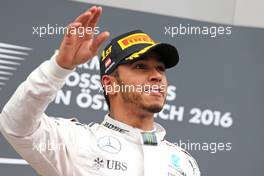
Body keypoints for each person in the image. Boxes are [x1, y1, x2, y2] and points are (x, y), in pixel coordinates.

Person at [0, 6, 200, 176]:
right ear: (110, 84)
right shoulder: (75, 142)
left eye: (161, 68)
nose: (157, 76)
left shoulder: (183, 163)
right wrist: (59, 67)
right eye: (141, 66)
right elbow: (15, 125)